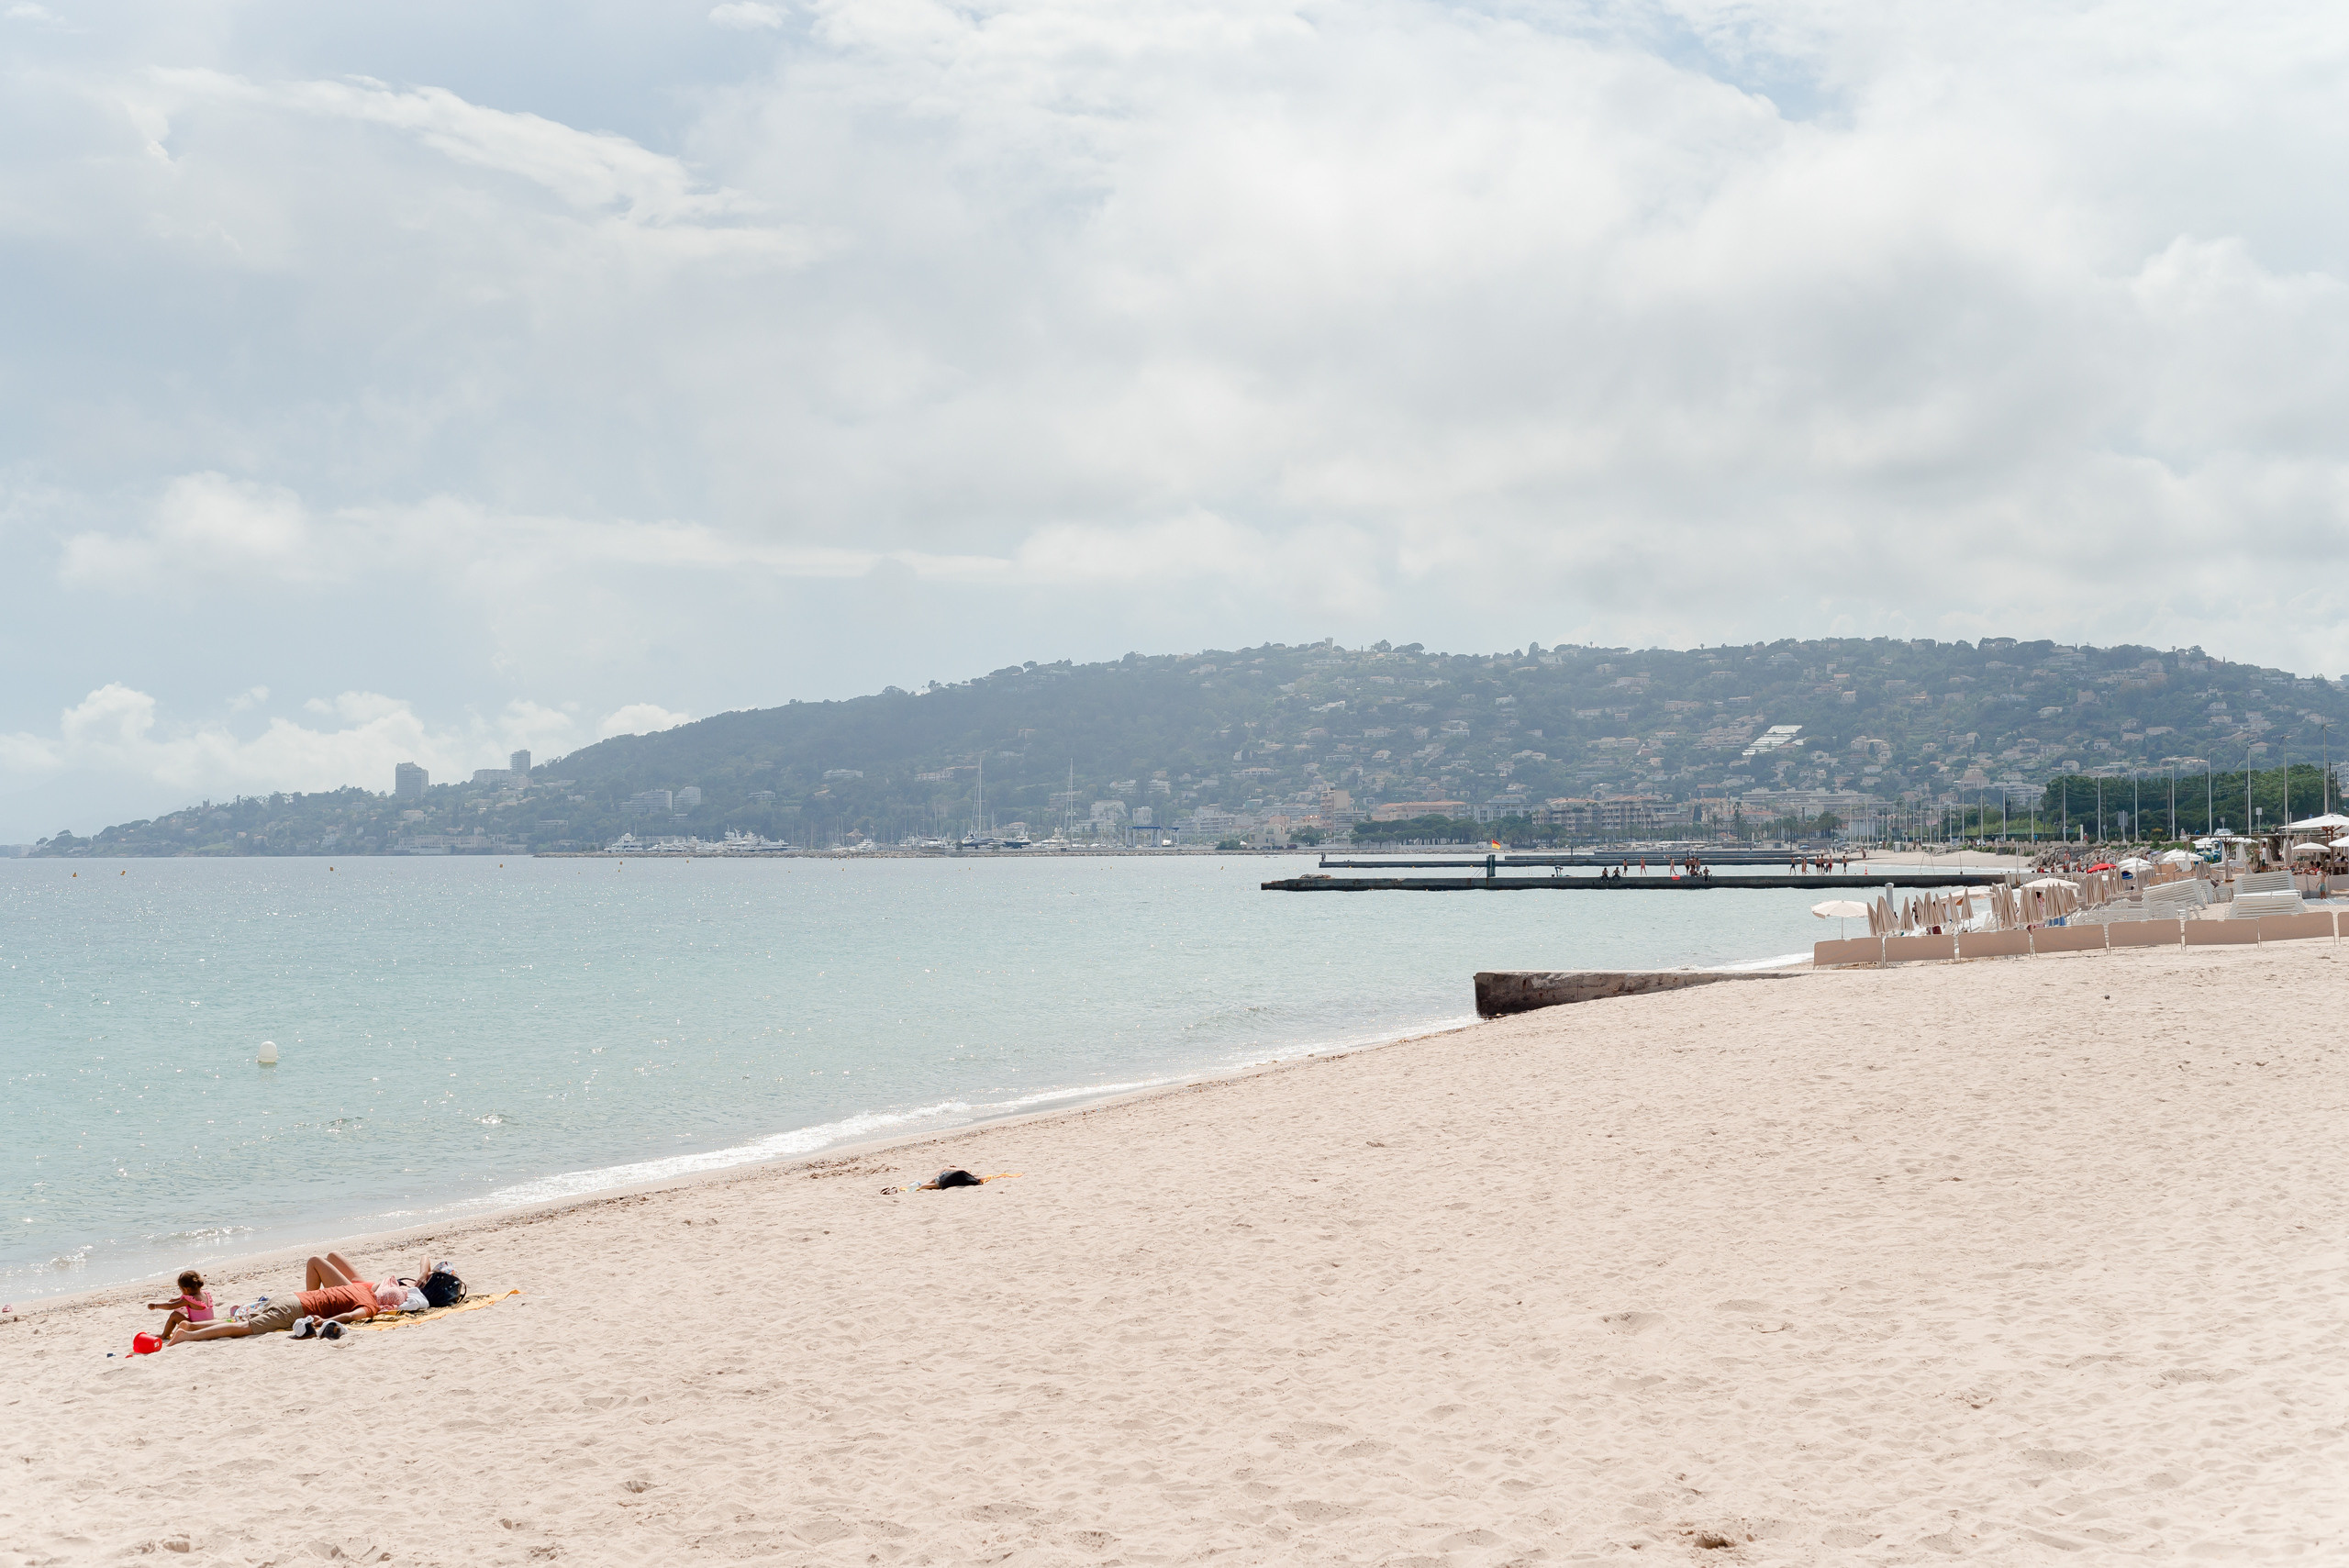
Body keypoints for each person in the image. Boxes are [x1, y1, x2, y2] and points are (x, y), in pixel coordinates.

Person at [169, 1251, 429, 1343]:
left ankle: (191, 1324)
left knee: (243, 1320)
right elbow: (350, 1316)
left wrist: (420, 1277)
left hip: (292, 1298)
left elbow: (330, 1258)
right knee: (242, 1329)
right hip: (295, 1310)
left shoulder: (362, 1287)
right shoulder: (370, 1305)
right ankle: (188, 1335)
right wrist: (319, 1322)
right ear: (387, 1306)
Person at [145, 1271, 215, 1341]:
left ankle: (164, 1335)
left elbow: (170, 1306)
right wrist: (177, 1299)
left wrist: (155, 1306)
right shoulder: (205, 1294)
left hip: (198, 1328)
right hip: (210, 1325)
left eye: (181, 1289)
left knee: (174, 1315)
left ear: (186, 1289)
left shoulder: (188, 1300)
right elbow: (187, 1297)